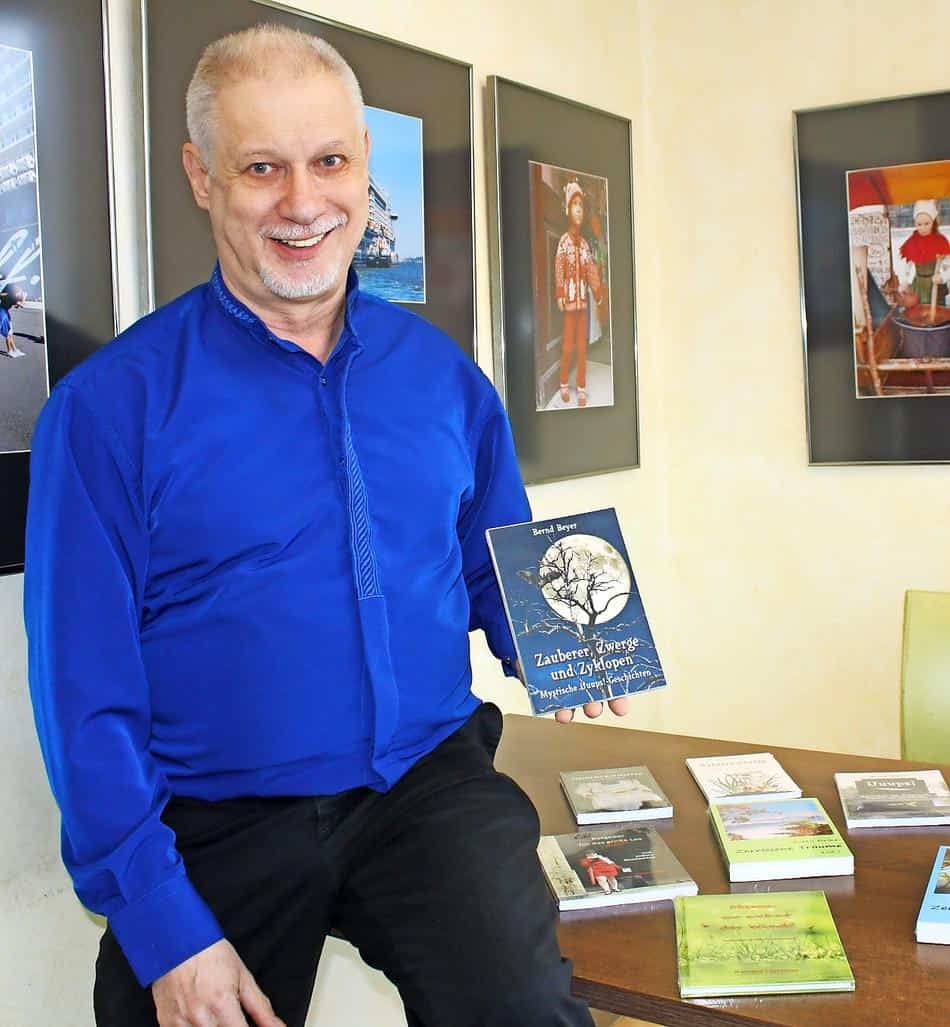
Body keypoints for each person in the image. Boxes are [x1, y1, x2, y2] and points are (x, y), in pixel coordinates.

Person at [24, 24, 628, 1027]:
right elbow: (83, 695)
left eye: (330, 162)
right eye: (261, 167)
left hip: (424, 790)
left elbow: (492, 560)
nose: (303, 203)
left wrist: (561, 638)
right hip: (213, 818)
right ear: (201, 176)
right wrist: (163, 925)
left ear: (363, 165)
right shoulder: (106, 411)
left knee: (524, 1007)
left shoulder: (445, 379)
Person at [554, 180, 603, 408]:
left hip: (582, 304)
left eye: (581, 206)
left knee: (582, 347)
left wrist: (597, 290)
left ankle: (581, 386)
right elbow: (559, 267)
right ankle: (563, 382)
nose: (578, 210)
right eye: (574, 205)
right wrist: (560, 293)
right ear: (567, 209)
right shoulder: (564, 242)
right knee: (568, 346)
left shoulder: (584, 245)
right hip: (569, 305)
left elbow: (591, 268)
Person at [899, 199, 950, 307]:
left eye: (927, 224)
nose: (923, 228)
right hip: (919, 285)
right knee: (919, 310)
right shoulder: (912, 242)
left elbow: (948, 265)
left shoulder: (940, 241)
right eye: (919, 224)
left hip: (935, 284)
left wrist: (942, 277)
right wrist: (904, 281)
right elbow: (907, 265)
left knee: (938, 311)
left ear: (933, 222)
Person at [1, 282, 26, 357]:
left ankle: (15, 350)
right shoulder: (11, 296)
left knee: (10, 333)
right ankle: (9, 351)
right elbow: (21, 306)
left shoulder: (9, 295)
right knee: (7, 333)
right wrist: (24, 297)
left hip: (5, 312)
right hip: (2, 313)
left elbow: (17, 306)